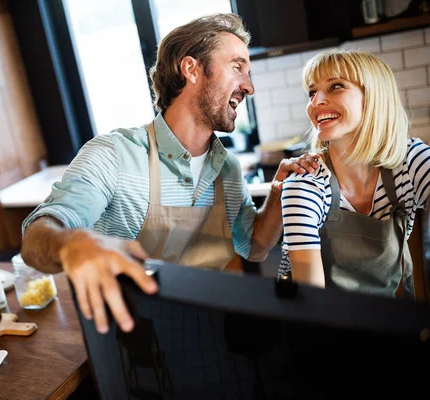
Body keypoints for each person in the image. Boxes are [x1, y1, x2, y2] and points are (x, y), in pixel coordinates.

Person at [21, 13, 312, 334]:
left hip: (217, 335)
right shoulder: (115, 154)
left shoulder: (226, 167)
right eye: (237, 67)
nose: (249, 86)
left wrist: (278, 193)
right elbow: (37, 237)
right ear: (192, 69)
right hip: (139, 344)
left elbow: (254, 247)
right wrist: (71, 244)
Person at [279, 48, 430, 299]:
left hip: (388, 319)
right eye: (312, 92)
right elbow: (311, 300)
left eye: (336, 86)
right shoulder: (306, 183)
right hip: (322, 325)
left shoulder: (410, 160)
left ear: (373, 97)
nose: (316, 102)